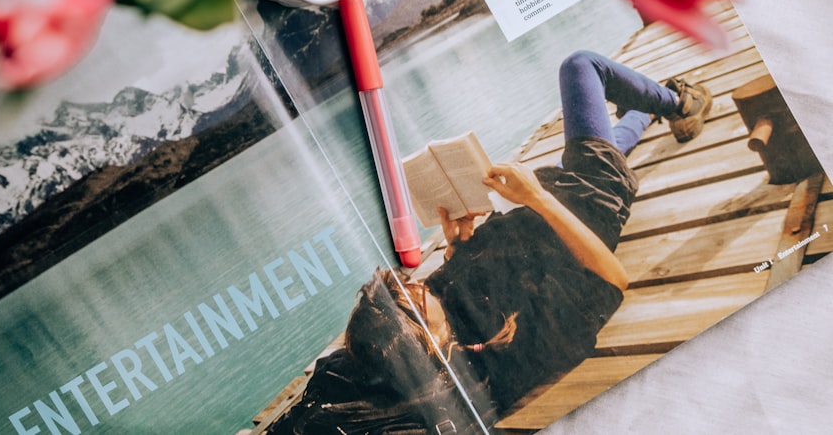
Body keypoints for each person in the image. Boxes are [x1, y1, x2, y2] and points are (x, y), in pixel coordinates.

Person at [268, 50, 713, 434]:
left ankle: (642, 114)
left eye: (401, 287)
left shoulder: (428, 334)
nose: (416, 284)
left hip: (540, 206)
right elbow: (613, 281)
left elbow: (457, 290)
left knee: (596, 148)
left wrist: (457, 246)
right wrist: (536, 197)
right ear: (438, 346)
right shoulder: (514, 348)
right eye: (414, 298)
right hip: (585, 204)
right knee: (581, 67)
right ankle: (680, 102)